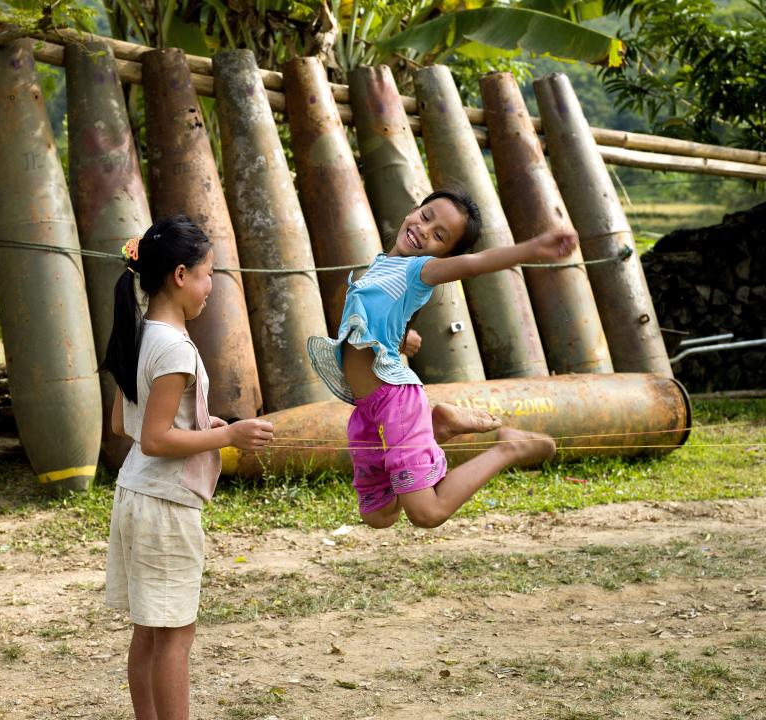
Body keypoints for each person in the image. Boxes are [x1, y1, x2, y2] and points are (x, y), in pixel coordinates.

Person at [308, 185, 577, 530]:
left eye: (439, 235)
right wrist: (402, 340)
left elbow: (474, 263)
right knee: (378, 514)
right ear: (413, 211)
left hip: (395, 404)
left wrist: (532, 248)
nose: (422, 230)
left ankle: (509, 448)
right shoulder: (381, 265)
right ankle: (439, 427)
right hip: (367, 409)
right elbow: (376, 321)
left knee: (427, 513)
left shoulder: (419, 271)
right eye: (425, 216)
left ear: (442, 256)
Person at [102, 215, 274, 720]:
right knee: (175, 636)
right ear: (180, 276)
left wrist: (198, 422)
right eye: (207, 274)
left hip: (136, 494)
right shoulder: (175, 348)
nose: (209, 287)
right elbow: (155, 438)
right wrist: (229, 435)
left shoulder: (141, 334)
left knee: (150, 631)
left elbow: (123, 423)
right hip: (165, 505)